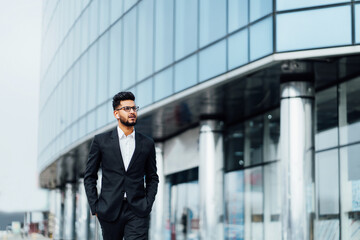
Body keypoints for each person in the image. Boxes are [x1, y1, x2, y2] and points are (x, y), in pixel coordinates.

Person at [84, 91, 159, 240]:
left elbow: (152, 177)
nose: (132, 112)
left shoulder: (147, 143)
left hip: (137, 210)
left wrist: (147, 203)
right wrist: (96, 207)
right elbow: (89, 176)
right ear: (116, 114)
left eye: (134, 108)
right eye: (127, 109)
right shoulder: (101, 141)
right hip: (109, 210)